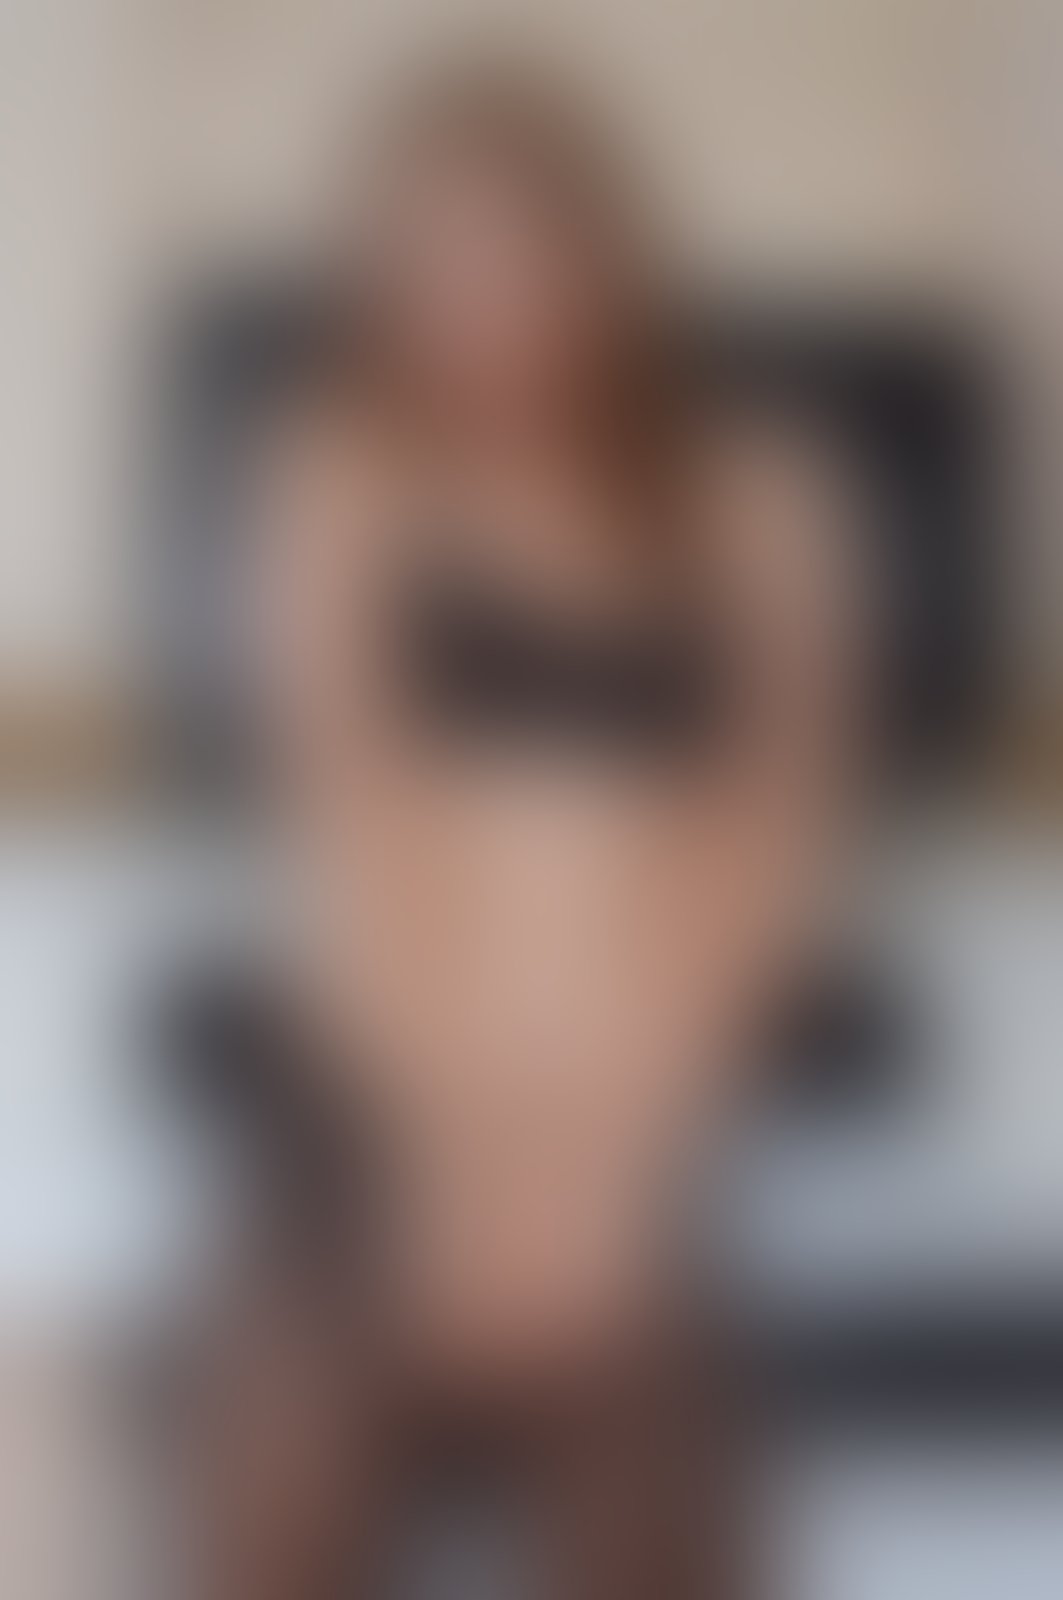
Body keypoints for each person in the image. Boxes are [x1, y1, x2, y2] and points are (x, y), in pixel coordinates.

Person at [198, 62, 866, 1599]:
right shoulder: (339, 474)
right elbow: (354, 830)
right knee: (286, 1462)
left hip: (652, 1059)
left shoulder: (763, 496)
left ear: (606, 261)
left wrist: (611, 1166)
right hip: (391, 1067)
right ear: (384, 295)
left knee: (647, 1510)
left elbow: (777, 827)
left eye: (519, 259)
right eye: (433, 272)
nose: (483, 315)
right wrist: (459, 1155)